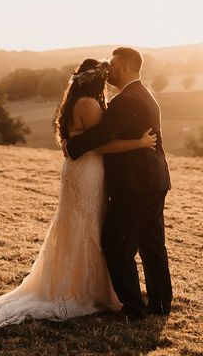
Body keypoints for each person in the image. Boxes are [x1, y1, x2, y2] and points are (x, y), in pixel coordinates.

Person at [0, 58, 157, 333]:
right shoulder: (90, 105)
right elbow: (99, 144)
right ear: (96, 80)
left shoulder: (78, 101)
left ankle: (88, 285)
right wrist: (139, 143)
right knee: (86, 227)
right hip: (87, 171)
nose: (108, 82)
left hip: (80, 170)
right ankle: (81, 289)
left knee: (82, 226)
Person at [64, 47, 172, 320]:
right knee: (152, 243)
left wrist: (72, 145)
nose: (107, 69)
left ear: (124, 67)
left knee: (116, 243)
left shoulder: (126, 101)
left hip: (134, 183)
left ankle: (134, 308)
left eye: (112, 64)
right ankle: (160, 303)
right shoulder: (146, 95)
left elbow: (101, 135)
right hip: (155, 180)